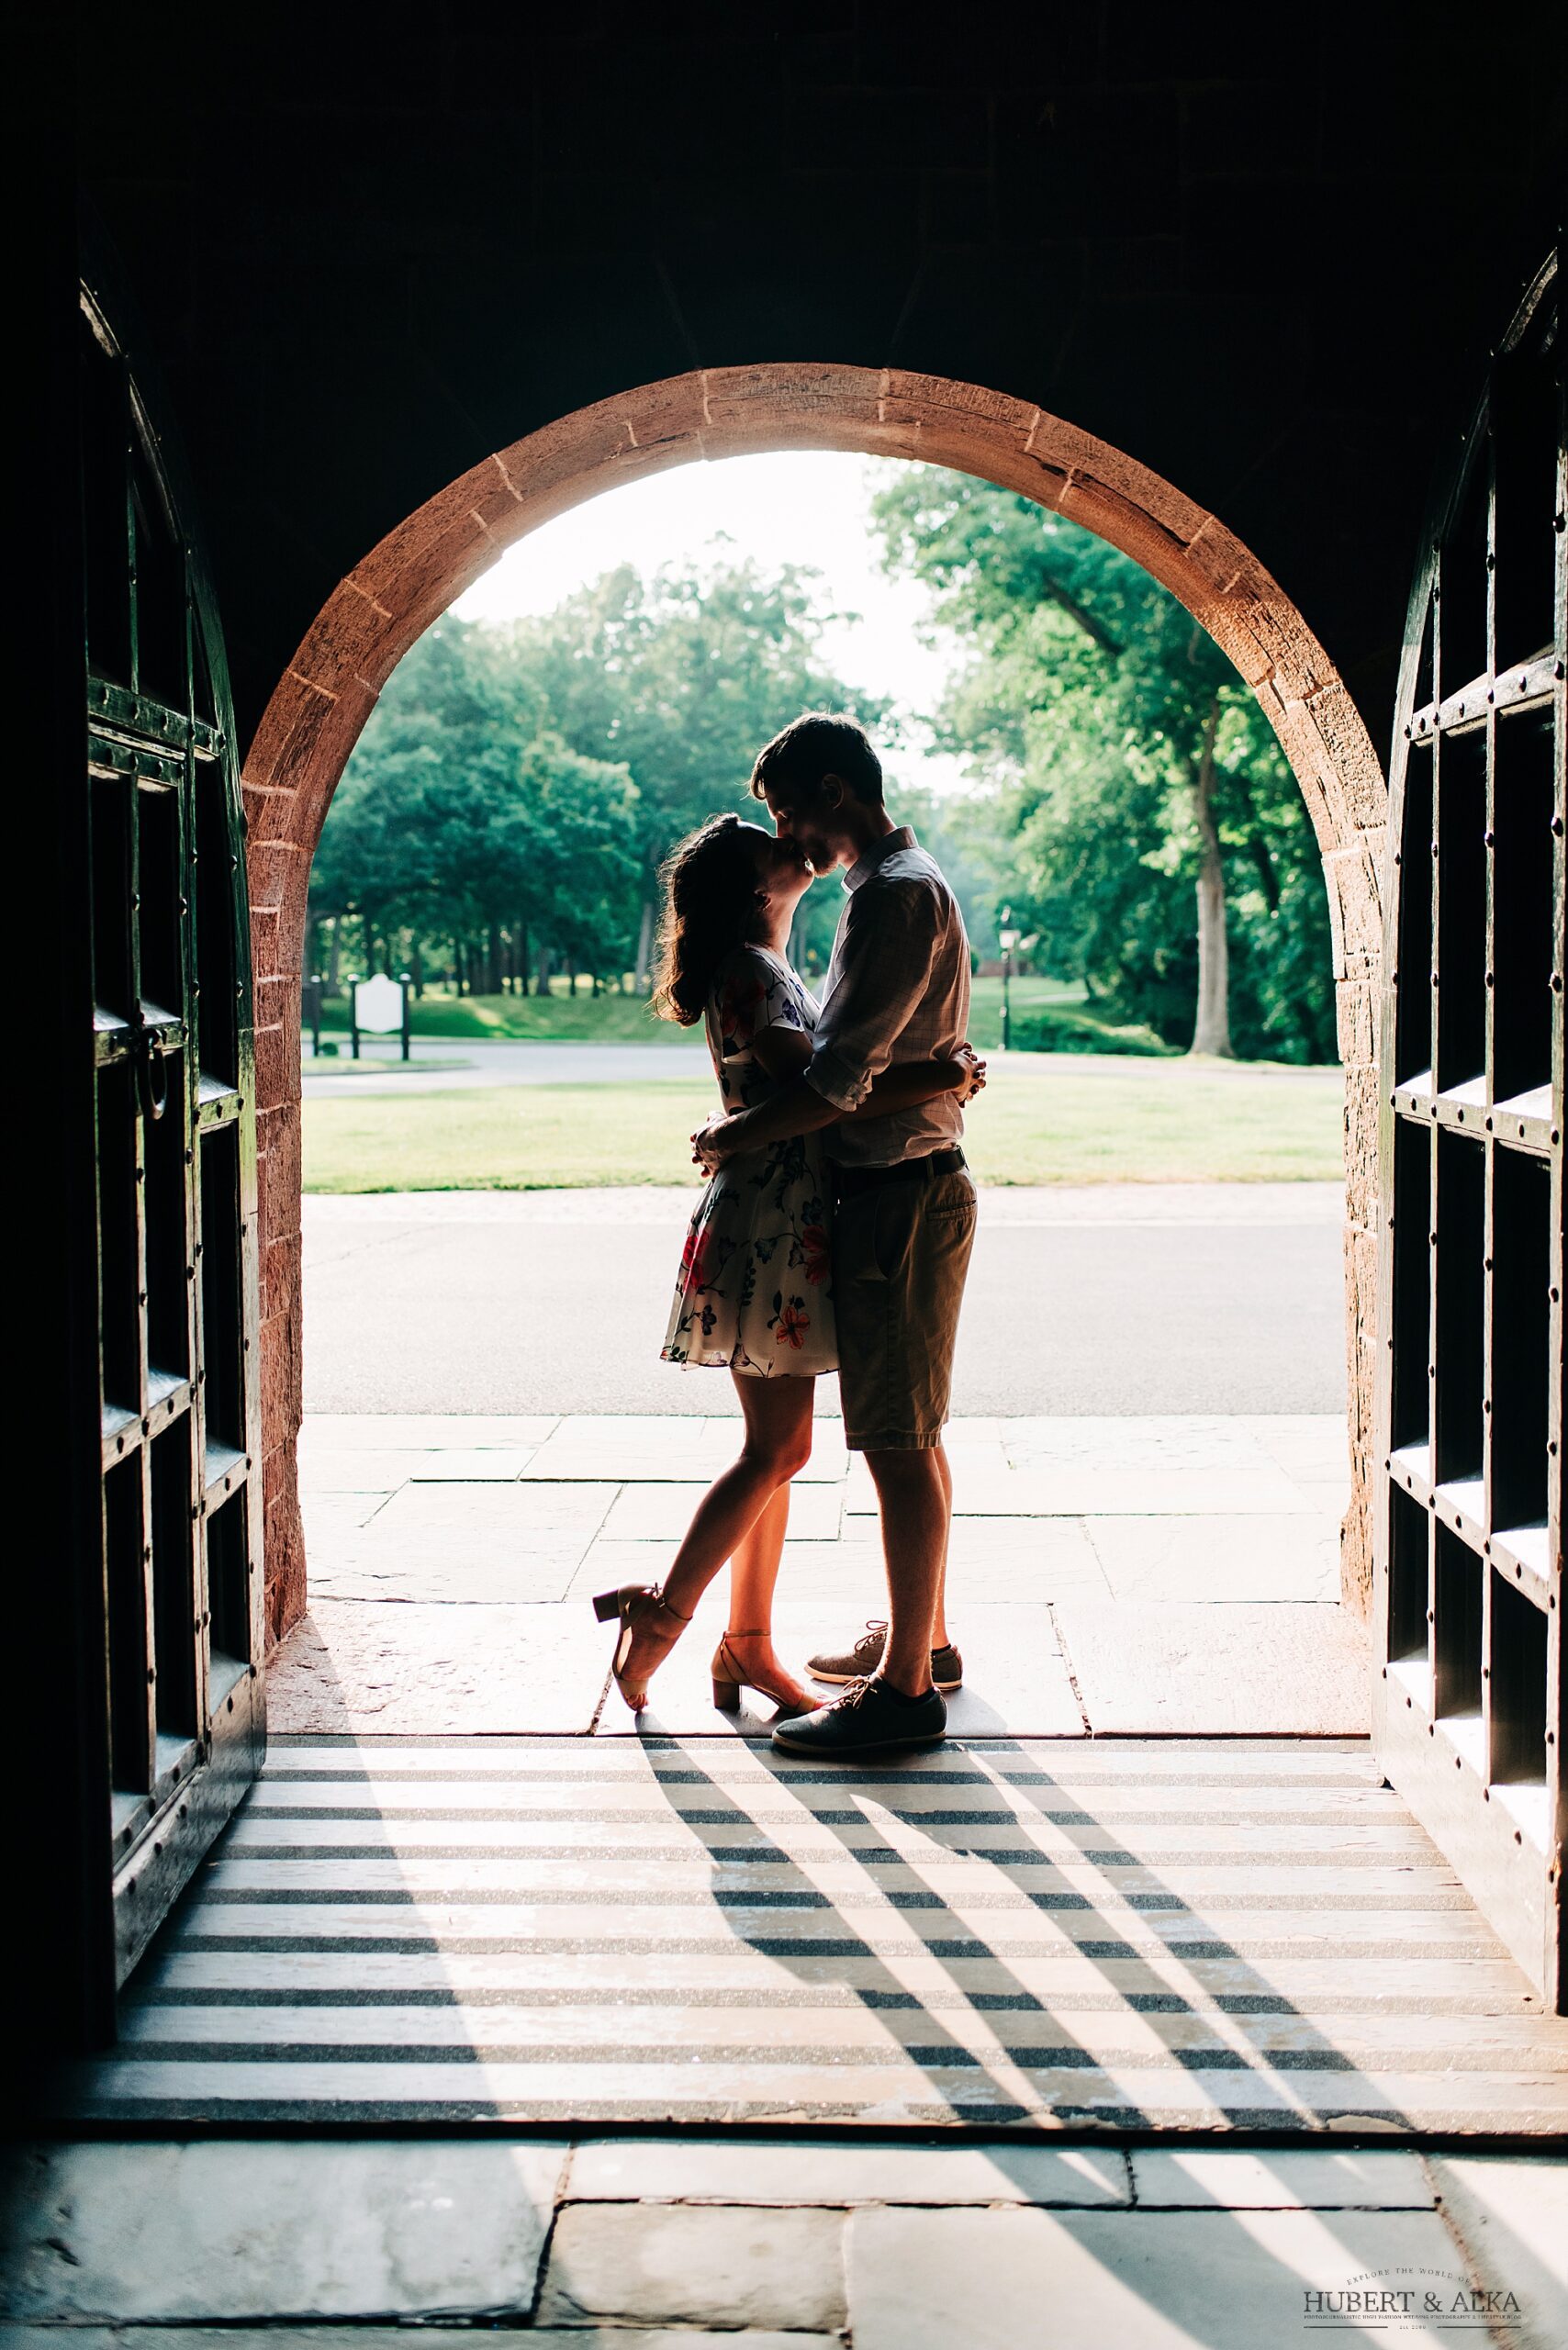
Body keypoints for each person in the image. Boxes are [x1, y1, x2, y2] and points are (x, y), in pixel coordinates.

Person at [593, 809, 984, 1718]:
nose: (792, 842)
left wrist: (937, 1073)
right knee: (777, 1446)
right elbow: (822, 1091)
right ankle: (664, 1618)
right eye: (772, 842)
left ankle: (746, 1647)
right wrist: (943, 1077)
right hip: (772, 1221)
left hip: (775, 1218)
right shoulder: (753, 975)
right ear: (756, 887)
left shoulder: (758, 969)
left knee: (777, 1446)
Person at [691, 713, 977, 1759]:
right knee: (914, 1435)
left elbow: (833, 1081)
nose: (786, 832)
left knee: (897, 1443)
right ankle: (925, 1641)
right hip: (905, 1184)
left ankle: (903, 1695)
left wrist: (736, 1133)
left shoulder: (894, 896)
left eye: (786, 810)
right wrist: (942, 1072)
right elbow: (871, 1062)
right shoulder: (894, 886)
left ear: (830, 790)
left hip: (899, 1191)